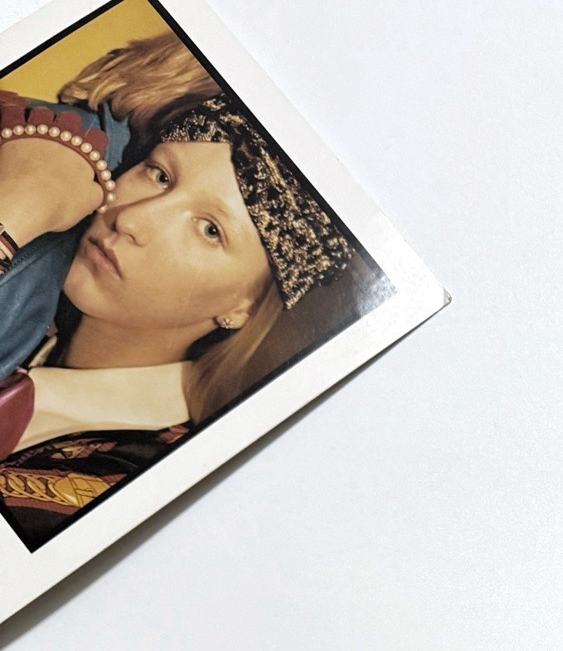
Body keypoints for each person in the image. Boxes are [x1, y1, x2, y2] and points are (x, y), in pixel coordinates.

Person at [0, 42, 354, 550]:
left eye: (210, 230)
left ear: (243, 307)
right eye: (160, 175)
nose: (133, 219)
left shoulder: (135, 480)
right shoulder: (28, 299)